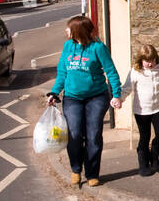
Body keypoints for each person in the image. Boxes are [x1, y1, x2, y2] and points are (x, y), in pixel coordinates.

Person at [47, 15, 121, 188]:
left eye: (69, 28)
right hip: (72, 97)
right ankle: (75, 169)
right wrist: (54, 92)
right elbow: (62, 72)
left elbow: (111, 72)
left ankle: (92, 173)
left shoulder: (98, 48)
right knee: (74, 135)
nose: (66, 30)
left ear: (78, 30)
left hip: (96, 97)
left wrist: (116, 94)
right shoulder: (68, 46)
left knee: (93, 136)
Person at [120, 44, 159, 177]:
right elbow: (127, 88)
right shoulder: (135, 71)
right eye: (147, 61)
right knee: (144, 137)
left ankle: (154, 158)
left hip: (157, 109)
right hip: (141, 111)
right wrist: (119, 99)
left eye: (152, 60)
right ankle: (143, 164)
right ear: (141, 60)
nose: (150, 64)